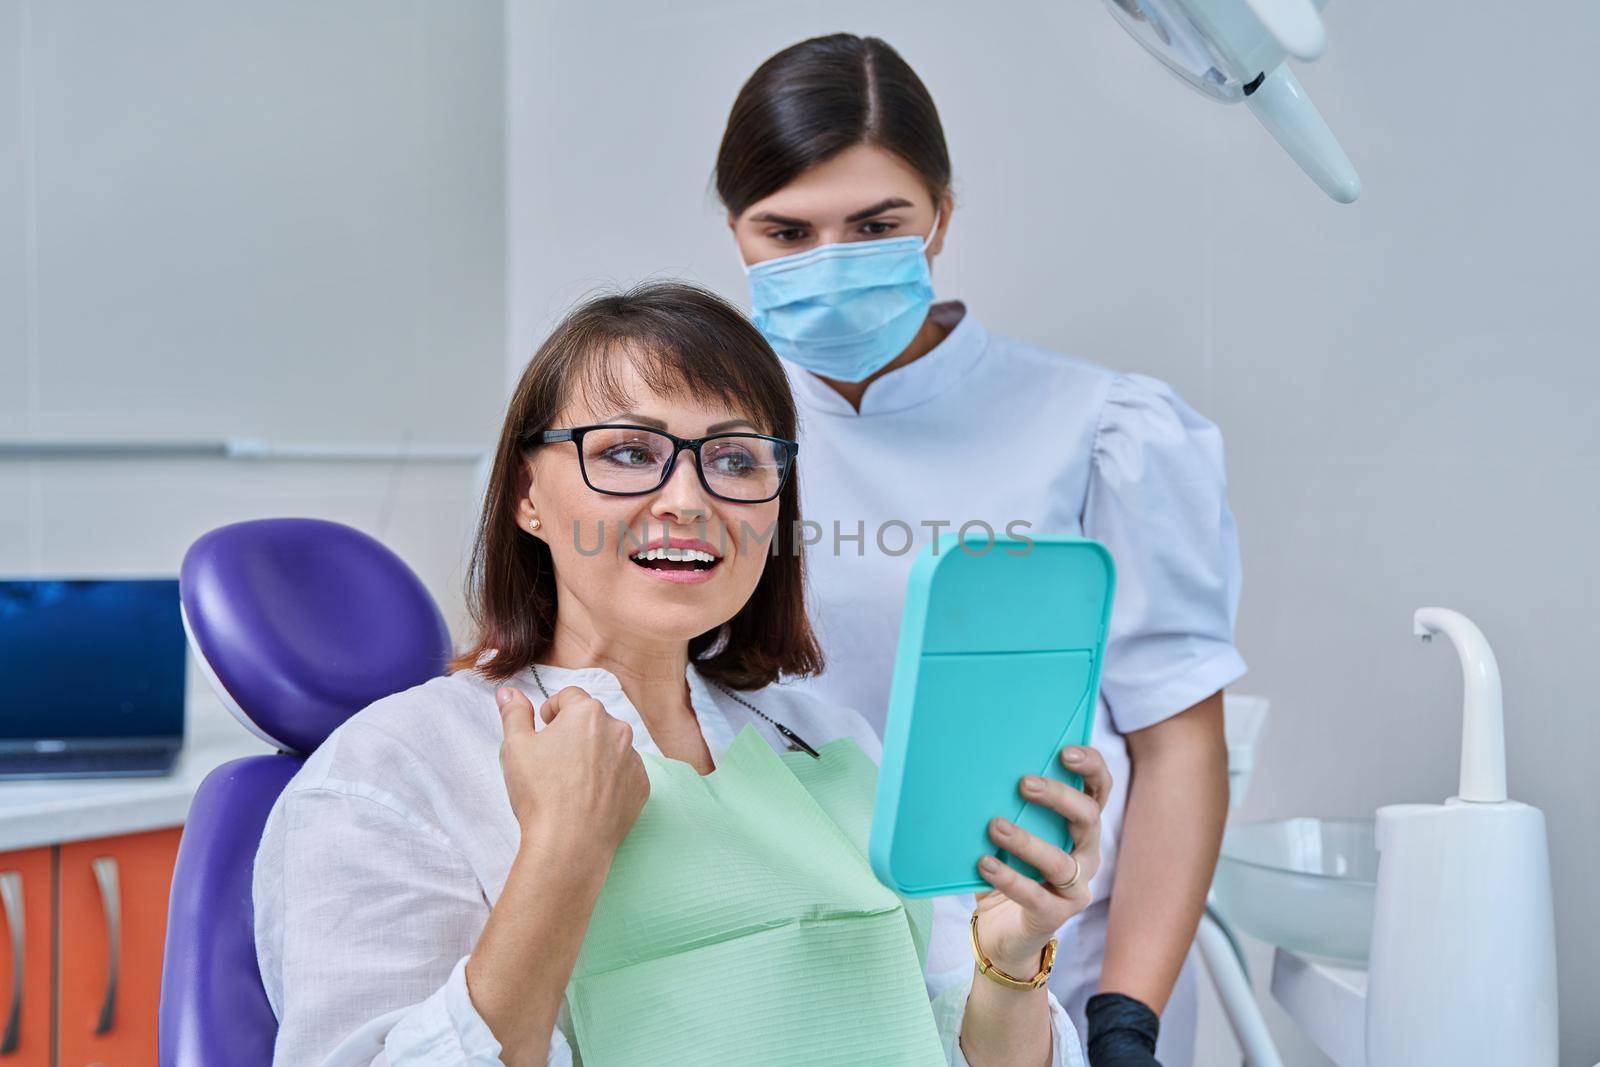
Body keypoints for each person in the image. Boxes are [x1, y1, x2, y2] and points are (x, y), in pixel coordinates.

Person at [254, 281, 1114, 1066]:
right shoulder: (398, 768)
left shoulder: (829, 743)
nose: (688, 499)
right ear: (526, 494)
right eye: (628, 452)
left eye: (737, 460)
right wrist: (563, 852)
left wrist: (1008, 962)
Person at [715, 34, 1246, 1067]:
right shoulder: (699, 444)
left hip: (1045, 966)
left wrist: (1125, 1015)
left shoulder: (1100, 427)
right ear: (734, 231)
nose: (827, 268)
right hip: (789, 970)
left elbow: (1178, 741)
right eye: (784, 231)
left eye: (874, 227)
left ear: (942, 217)